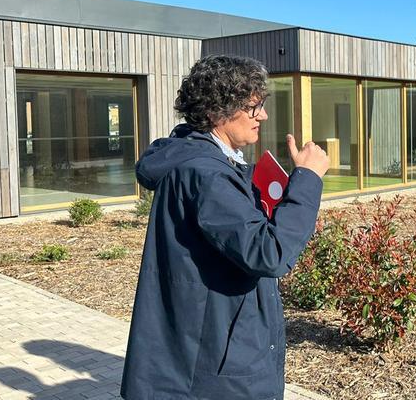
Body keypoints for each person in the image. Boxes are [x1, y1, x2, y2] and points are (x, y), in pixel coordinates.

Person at [120, 55, 329, 399]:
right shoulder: (206, 175)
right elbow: (269, 253)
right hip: (217, 363)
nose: (262, 115)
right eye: (253, 106)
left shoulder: (204, 162)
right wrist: (307, 180)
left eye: (262, 104)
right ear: (217, 110)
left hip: (209, 342)